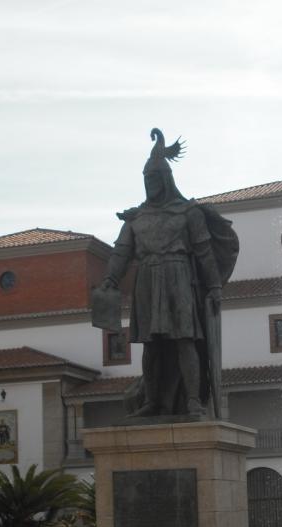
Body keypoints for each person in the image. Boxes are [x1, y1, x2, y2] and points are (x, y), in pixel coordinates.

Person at [98, 128, 238, 418]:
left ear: (165, 179)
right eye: (145, 180)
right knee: (151, 346)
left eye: (154, 179)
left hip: (178, 278)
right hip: (147, 280)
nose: (150, 185)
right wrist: (111, 278)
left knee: (184, 340)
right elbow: (121, 252)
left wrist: (214, 287)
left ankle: (192, 401)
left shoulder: (189, 212)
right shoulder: (136, 217)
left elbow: (203, 252)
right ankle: (152, 400)